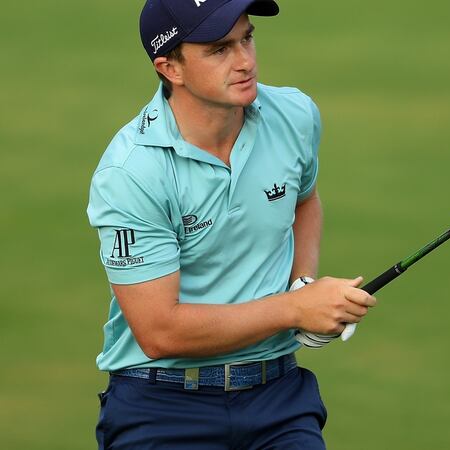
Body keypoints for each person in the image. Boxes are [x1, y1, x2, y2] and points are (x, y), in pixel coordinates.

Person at [86, 0, 376, 448]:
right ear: (170, 68)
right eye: (219, 49)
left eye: (247, 38)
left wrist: (302, 281)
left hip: (279, 398)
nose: (245, 61)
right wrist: (295, 309)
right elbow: (160, 330)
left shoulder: (294, 115)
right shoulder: (130, 173)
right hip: (162, 406)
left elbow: (304, 199)